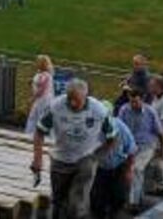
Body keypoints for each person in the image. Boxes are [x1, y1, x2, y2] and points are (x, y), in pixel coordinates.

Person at [33, 79, 117, 219]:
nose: (72, 103)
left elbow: (112, 136)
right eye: (69, 99)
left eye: (76, 100)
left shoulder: (99, 111)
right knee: (58, 201)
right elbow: (39, 131)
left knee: (76, 204)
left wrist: (97, 157)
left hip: (85, 159)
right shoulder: (56, 106)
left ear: (86, 97)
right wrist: (37, 159)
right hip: (60, 159)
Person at [117, 90, 163, 210]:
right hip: (130, 146)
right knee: (129, 172)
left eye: (136, 102)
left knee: (137, 168)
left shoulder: (150, 112)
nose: (133, 105)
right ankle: (139, 197)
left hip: (147, 146)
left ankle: (134, 203)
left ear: (142, 99)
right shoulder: (124, 110)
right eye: (131, 102)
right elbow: (119, 129)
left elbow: (160, 133)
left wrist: (162, 150)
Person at [90, 105, 137, 219]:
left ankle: (114, 213)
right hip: (100, 166)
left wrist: (129, 170)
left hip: (118, 165)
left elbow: (131, 149)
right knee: (97, 200)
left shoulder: (120, 126)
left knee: (118, 197)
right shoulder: (92, 126)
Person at [26, 55, 54, 136]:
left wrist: (33, 98)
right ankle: (31, 133)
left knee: (40, 116)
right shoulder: (40, 73)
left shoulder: (46, 75)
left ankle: (40, 134)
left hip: (43, 99)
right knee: (34, 116)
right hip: (40, 99)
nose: (36, 63)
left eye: (38, 62)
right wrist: (32, 82)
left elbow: (42, 89)